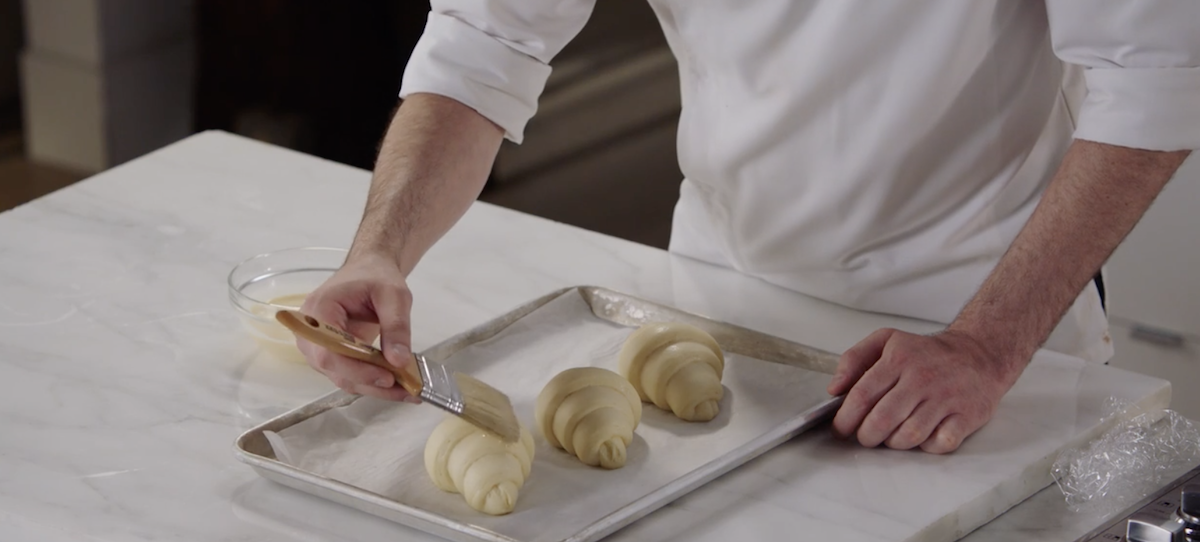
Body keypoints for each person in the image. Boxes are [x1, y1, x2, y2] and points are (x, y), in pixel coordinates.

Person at [296, 2, 1198, 454]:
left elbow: (1156, 79)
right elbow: (485, 42)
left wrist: (986, 348)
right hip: (717, 322)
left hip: (975, 342)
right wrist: (381, 249)